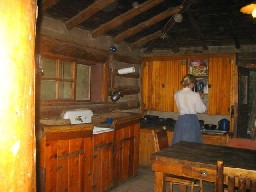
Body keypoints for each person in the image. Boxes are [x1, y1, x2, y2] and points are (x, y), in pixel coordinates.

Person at [172, 74, 206, 144]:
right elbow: (202, 109)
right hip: (191, 121)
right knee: (191, 145)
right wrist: (201, 98)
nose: (194, 85)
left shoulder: (176, 94)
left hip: (181, 120)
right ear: (191, 83)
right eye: (194, 83)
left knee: (179, 144)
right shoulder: (195, 95)